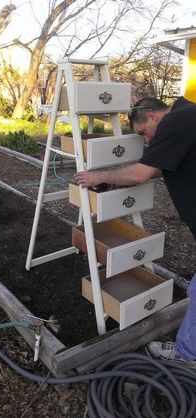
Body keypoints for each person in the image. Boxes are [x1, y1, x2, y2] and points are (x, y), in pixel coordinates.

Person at [74, 96, 196, 366]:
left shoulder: (174, 124)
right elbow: (163, 164)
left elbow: (141, 174)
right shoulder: (187, 114)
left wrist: (100, 176)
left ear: (152, 116)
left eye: (143, 133)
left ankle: (188, 354)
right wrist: (121, 178)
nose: (147, 140)